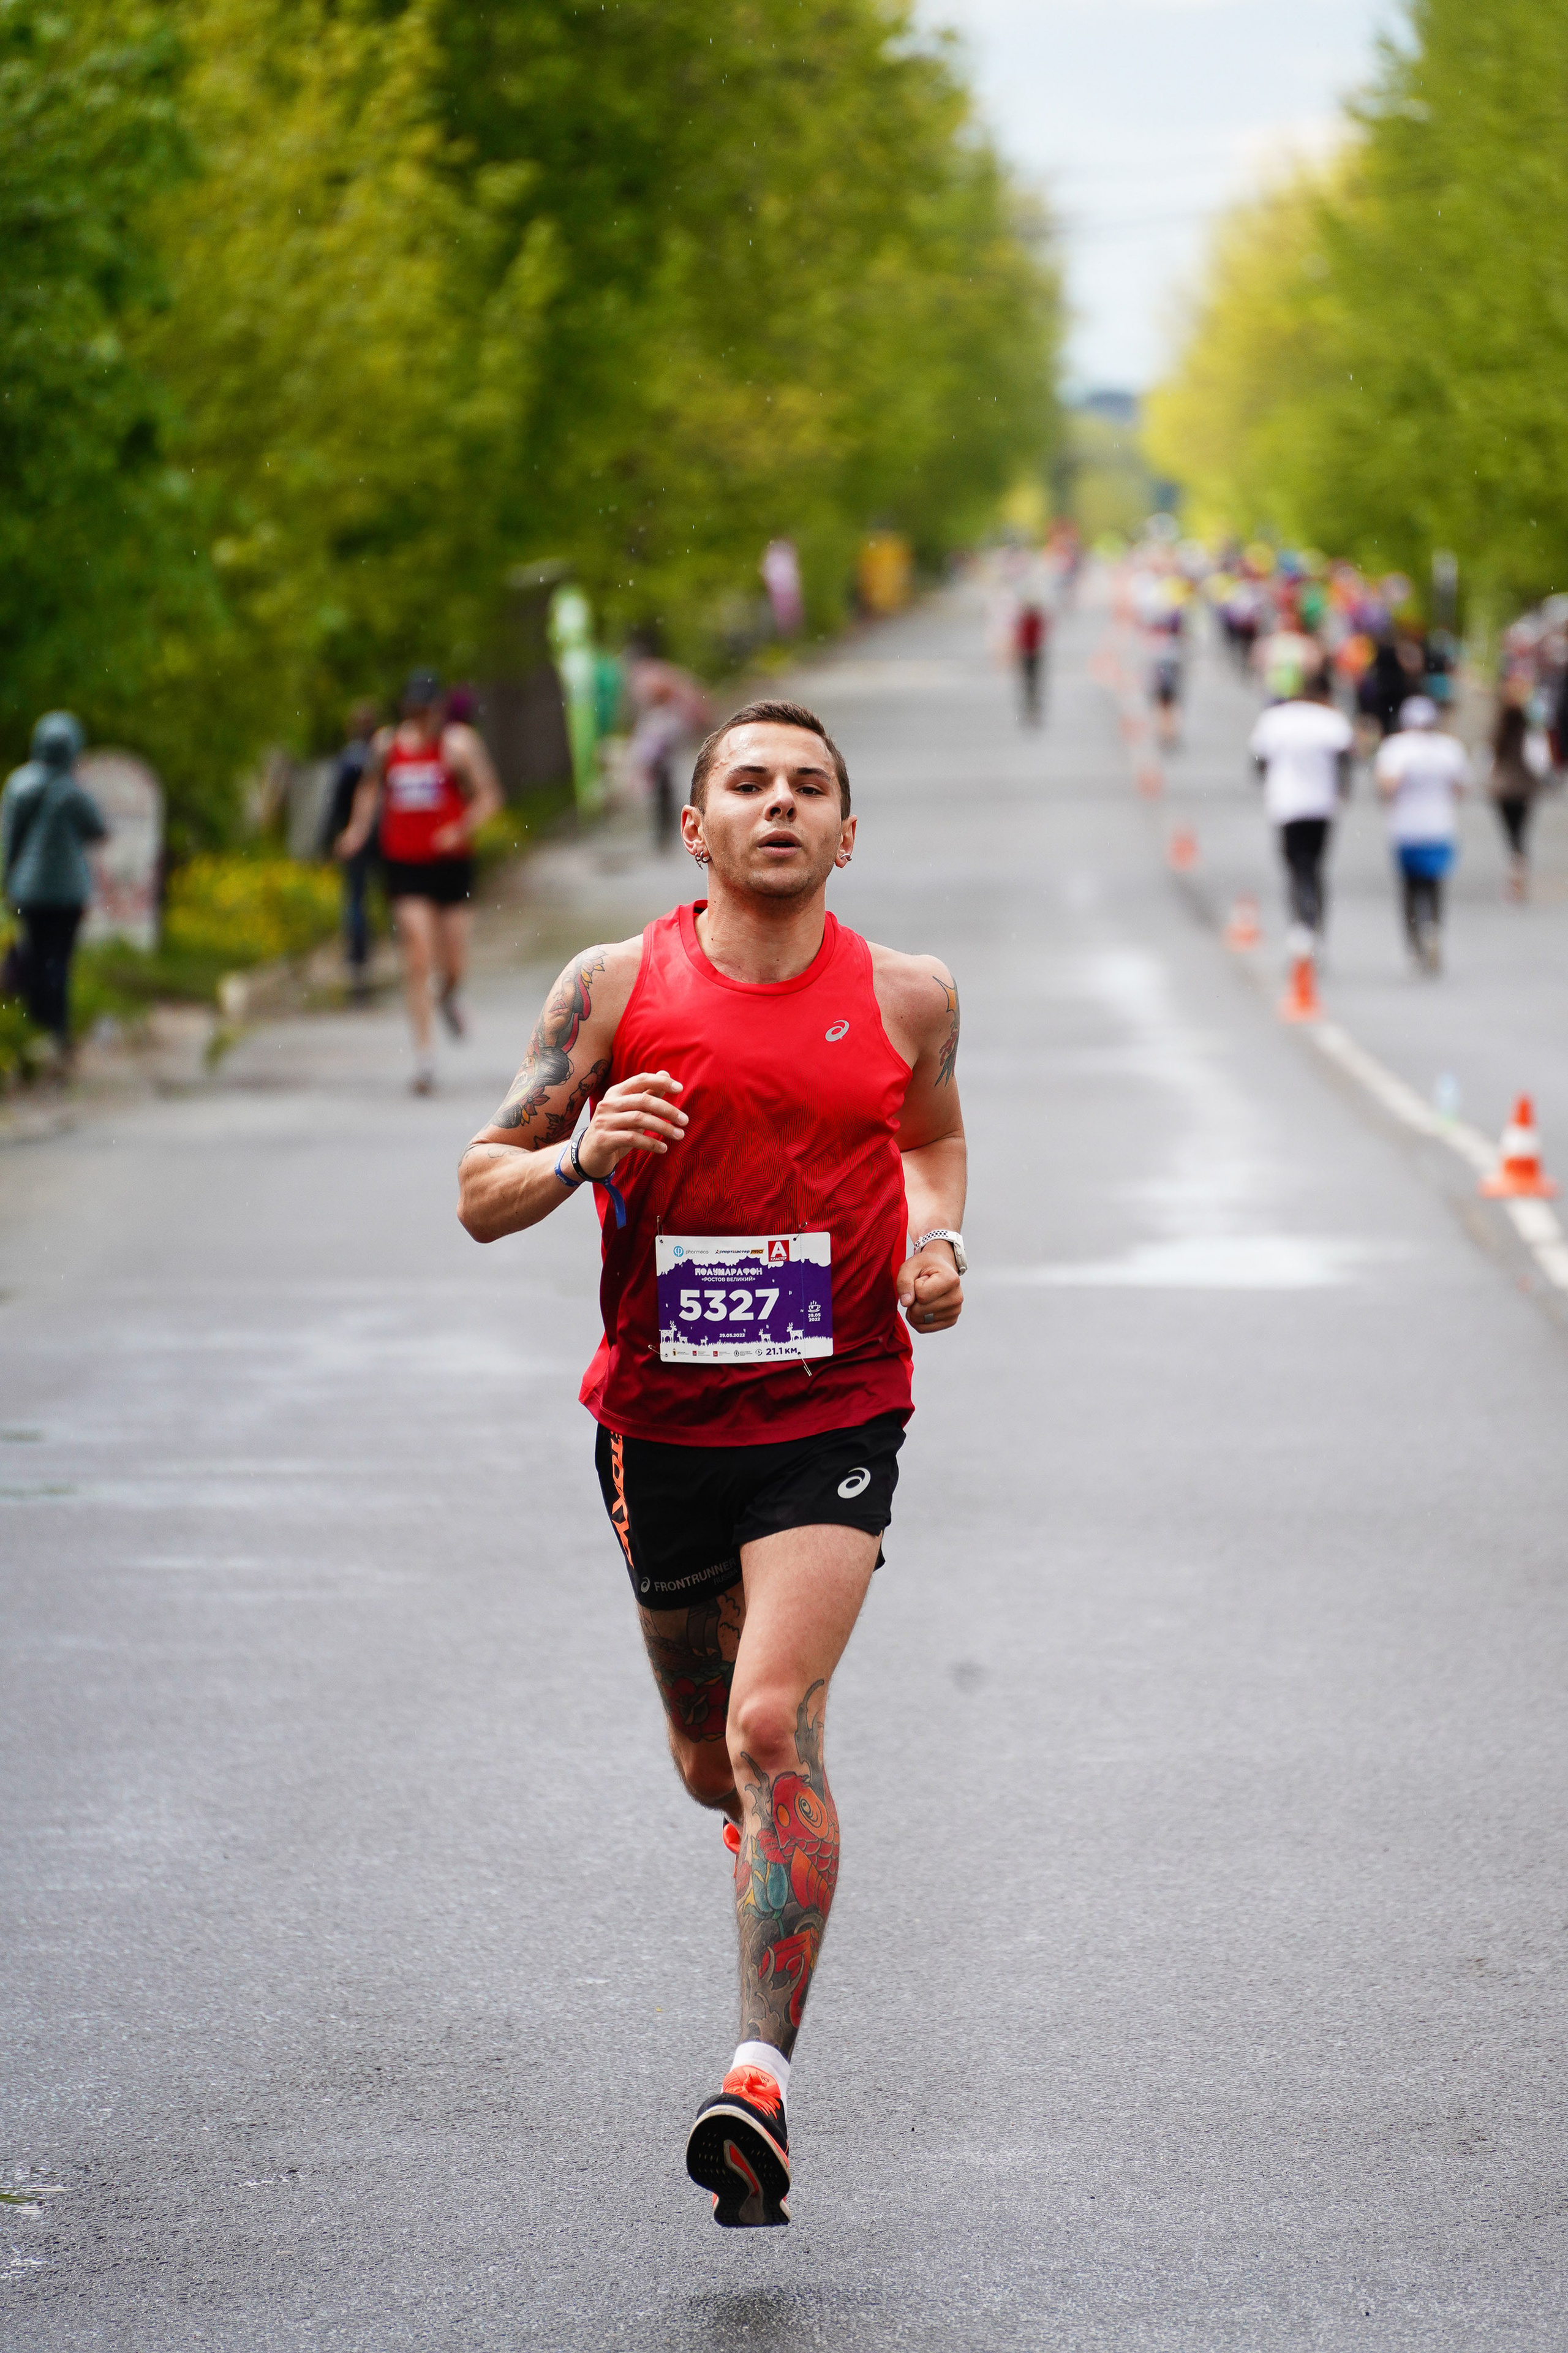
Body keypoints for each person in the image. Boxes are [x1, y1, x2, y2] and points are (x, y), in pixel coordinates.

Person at [456, 698, 966, 2229]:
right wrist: (579, 1153)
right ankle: (767, 1859)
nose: (779, 803)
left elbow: (931, 1143)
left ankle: (757, 2075)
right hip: (659, 1426)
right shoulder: (612, 987)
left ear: (846, 831)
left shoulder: (909, 994)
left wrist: (935, 1241)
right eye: (746, 782)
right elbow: (480, 1190)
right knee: (707, 1764)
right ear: (695, 826)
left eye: (810, 785)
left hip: (837, 1406)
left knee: (768, 1720)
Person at [337, 671, 502, 1093]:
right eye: (415, 708)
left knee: (453, 964)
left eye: (428, 708)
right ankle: (425, 1058)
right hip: (405, 864)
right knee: (416, 956)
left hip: (450, 865)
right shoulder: (387, 745)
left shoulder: (458, 745)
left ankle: (448, 995)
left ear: (440, 708)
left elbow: (489, 797)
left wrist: (460, 829)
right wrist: (357, 830)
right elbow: (369, 790)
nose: (422, 716)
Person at [1, 711, 107, 1057]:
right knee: (58, 959)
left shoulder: (21, 784)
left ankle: (36, 1026)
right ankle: (55, 1028)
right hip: (69, 891)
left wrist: (7, 880)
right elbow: (98, 830)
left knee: (35, 953)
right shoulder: (73, 790)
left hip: (30, 886)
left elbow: (11, 839)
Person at [1249, 667, 1354, 963]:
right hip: (1321, 804)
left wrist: (1270, 777)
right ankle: (1316, 928)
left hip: (1287, 804)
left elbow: (1258, 759)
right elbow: (1344, 761)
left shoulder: (1275, 720)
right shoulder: (1331, 721)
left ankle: (1300, 926)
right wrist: (1343, 790)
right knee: (1316, 867)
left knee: (1296, 867)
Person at [1374, 696, 1469, 973]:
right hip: (1440, 827)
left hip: (1406, 829)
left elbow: (1386, 788)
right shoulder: (1450, 748)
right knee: (1434, 885)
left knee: (1409, 888)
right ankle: (1434, 930)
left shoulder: (1396, 749)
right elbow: (1461, 789)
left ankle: (1415, 943)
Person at [321, 701, 380, 1002]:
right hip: (382, 838)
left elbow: (335, 803)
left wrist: (334, 836)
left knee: (355, 900)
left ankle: (358, 957)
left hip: (353, 837)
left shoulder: (347, 760)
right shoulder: (379, 758)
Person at [1488, 690, 1548, 901]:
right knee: (1521, 832)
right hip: (1524, 789)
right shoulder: (1530, 735)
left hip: (1504, 789)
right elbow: (1540, 762)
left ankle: (1515, 876)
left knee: (1511, 833)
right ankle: (1518, 877)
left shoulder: (1499, 735)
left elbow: (1489, 760)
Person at [1015, 600, 1047, 724]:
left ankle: (1031, 693)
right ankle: (1031, 693)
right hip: (1030, 652)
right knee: (1031, 675)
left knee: (1031, 675)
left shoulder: (1031, 621)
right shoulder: (1030, 621)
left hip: (1031, 652)